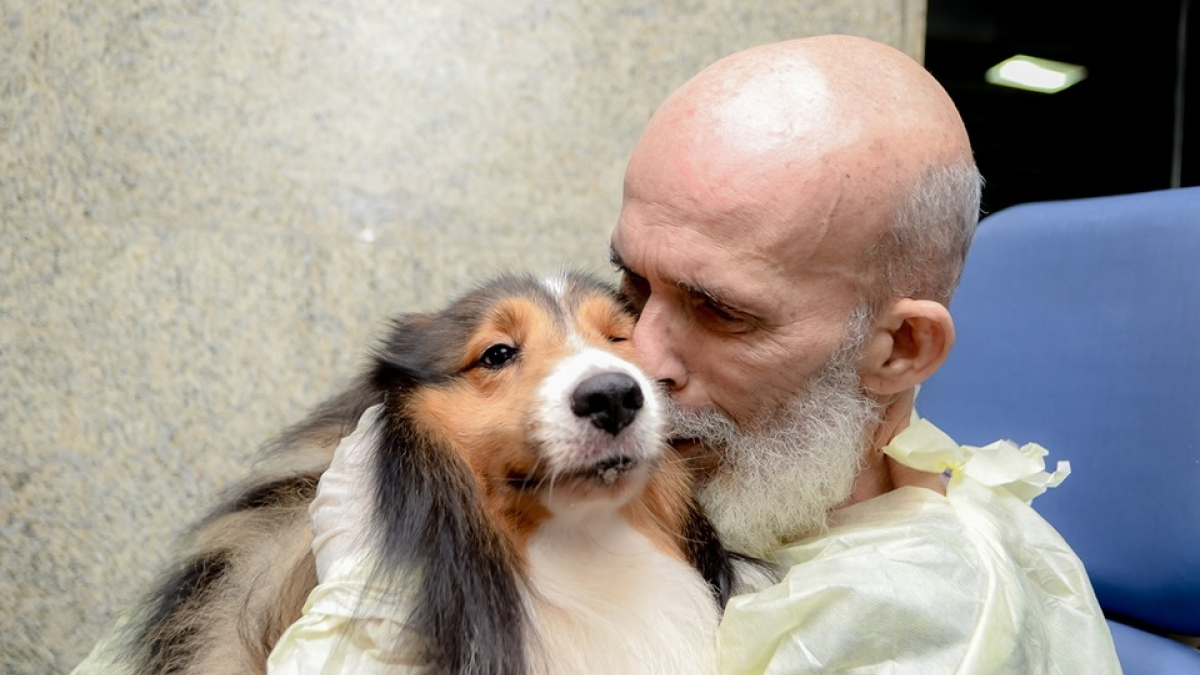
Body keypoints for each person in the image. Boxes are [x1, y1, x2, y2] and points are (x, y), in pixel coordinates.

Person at [274, 35, 1122, 674]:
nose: (638, 359)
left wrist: (375, 612)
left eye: (719, 309)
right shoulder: (743, 497)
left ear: (898, 349)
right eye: (633, 286)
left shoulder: (924, 626)